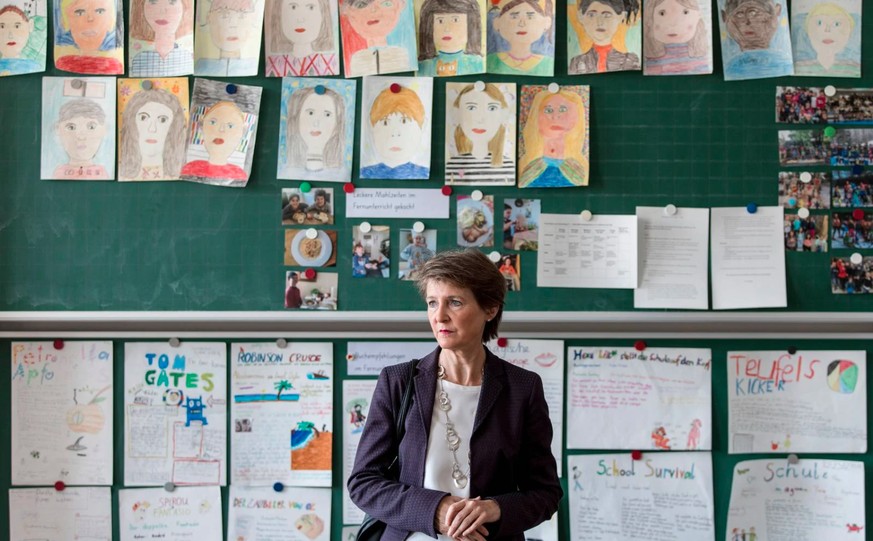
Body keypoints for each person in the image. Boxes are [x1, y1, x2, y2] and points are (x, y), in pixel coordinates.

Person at [349, 249, 562, 541]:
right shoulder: (397, 381)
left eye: (455, 302)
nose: (440, 316)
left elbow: (545, 494)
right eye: (432, 303)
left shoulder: (522, 388)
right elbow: (363, 482)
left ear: (490, 309)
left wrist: (494, 509)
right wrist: (434, 509)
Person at [445, 82, 515, 185]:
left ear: (503, 115)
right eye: (471, 108)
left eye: (492, 108)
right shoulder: (452, 165)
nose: (480, 119)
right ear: (457, 113)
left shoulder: (508, 166)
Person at [518, 87, 589, 188]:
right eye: (548, 110)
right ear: (535, 117)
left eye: (563, 109)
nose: (555, 116)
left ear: (577, 116)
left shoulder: (579, 169)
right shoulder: (528, 167)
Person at [360, 84, 429, 179]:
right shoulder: (365, 173)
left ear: (423, 125)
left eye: (404, 121)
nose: (395, 133)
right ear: (371, 125)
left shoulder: (424, 174)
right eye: (385, 122)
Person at [118, 87, 188, 181]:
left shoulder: (179, 174)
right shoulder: (122, 174)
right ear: (132, 122)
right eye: (143, 118)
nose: (152, 129)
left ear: (174, 127)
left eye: (162, 120)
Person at [720, 0, 792, 79]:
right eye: (739, 14)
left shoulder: (784, 64)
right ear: (725, 17)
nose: (747, 22)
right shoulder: (730, 68)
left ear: (777, 11)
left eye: (753, 13)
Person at [340, 0, 413, 76]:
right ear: (347, 11)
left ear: (400, 6)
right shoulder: (358, 60)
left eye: (386, 3)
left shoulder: (400, 56)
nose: (373, 10)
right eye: (361, 5)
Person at [265, 0, 338, 76]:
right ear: (279, 14)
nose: (300, 19)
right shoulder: (273, 64)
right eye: (293, 7)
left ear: (323, 14)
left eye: (311, 7)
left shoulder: (332, 64)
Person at [180, 101, 249, 181]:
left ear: (241, 133)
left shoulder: (239, 175)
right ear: (202, 127)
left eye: (230, 126)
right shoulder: (190, 168)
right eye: (213, 122)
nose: (221, 129)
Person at [286, 86, 346, 175]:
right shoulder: (288, 170)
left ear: (338, 122)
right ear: (296, 117)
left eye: (327, 115)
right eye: (310, 113)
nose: (316, 123)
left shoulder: (341, 172)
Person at [569, 0, 640, 74]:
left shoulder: (630, 61)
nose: (599, 22)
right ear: (580, 16)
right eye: (591, 15)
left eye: (607, 15)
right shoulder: (576, 63)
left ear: (622, 16)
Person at [417, 0, 483, 76]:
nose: (447, 29)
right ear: (429, 25)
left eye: (455, 20)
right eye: (440, 21)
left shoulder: (476, 63)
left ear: (471, 24)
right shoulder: (424, 66)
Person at [55, 0, 124, 73]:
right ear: (66, 20)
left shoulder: (115, 65)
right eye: (80, 13)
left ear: (111, 18)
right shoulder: (63, 63)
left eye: (99, 11)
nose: (90, 18)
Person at [642, 0, 709, 75]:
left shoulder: (700, 54)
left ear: (698, 16)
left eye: (685, 12)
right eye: (662, 13)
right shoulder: (649, 57)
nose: (673, 23)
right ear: (649, 18)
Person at [128, 0, 194, 76]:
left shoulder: (186, 58)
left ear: (185, 7)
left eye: (172, 2)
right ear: (141, 7)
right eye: (153, 2)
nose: (162, 12)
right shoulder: (139, 59)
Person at [194, 0, 260, 76]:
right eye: (224, 15)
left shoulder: (253, 66)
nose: (233, 25)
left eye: (242, 16)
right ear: (209, 18)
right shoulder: (202, 66)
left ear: (253, 18)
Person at [487, 0, 553, 75]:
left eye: (530, 17)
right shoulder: (490, 61)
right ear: (497, 23)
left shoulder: (548, 64)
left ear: (547, 23)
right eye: (514, 17)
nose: (522, 24)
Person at [52, 98, 110, 180]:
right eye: (71, 127)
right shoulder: (59, 173)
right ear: (58, 129)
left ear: (104, 129)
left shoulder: (103, 174)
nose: (81, 137)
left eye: (91, 127)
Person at [795, 2, 858, 76]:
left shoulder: (855, 69)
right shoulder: (798, 68)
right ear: (808, 31)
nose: (827, 30)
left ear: (849, 33)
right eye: (819, 23)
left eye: (836, 24)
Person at [0, 5, 42, 75]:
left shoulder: (35, 67)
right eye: (2, 27)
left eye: (17, 26)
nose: (10, 35)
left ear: (30, 26)